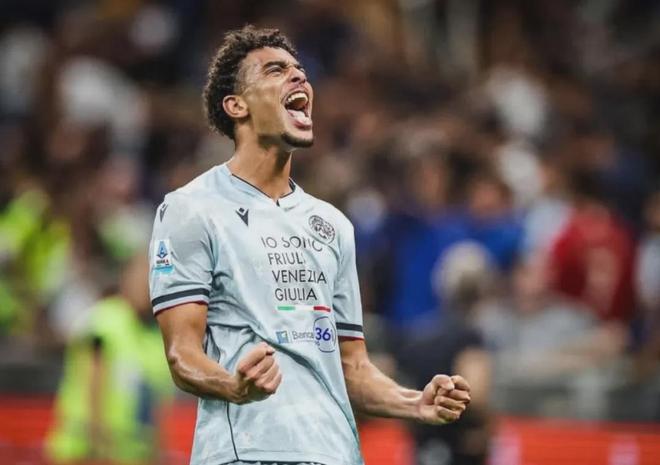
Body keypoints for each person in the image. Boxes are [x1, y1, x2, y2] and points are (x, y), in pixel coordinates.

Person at [149, 26, 471, 465]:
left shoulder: (332, 225)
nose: (298, 77)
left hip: (336, 453)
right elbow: (181, 354)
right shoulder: (192, 208)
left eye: (300, 70)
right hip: (248, 452)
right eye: (275, 70)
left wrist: (416, 403)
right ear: (236, 105)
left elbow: (352, 367)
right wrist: (234, 387)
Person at [46, 254, 172, 464]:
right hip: (87, 452)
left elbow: (157, 407)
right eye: (141, 278)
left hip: (132, 455)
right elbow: (92, 384)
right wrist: (97, 446)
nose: (147, 286)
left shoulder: (155, 337)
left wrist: (156, 454)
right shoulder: (105, 319)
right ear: (125, 278)